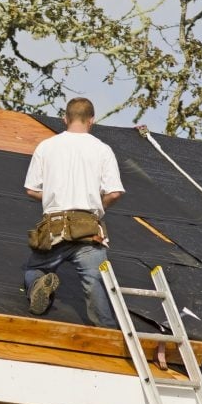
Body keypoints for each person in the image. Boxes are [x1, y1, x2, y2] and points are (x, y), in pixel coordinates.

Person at [22, 98, 124, 328]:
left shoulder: (47, 146)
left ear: (64, 119)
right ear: (92, 120)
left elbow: (31, 189)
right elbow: (115, 193)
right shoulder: (102, 149)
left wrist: (52, 198)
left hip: (54, 224)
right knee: (95, 281)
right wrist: (99, 207)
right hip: (88, 226)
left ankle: (38, 283)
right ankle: (106, 330)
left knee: (34, 268)